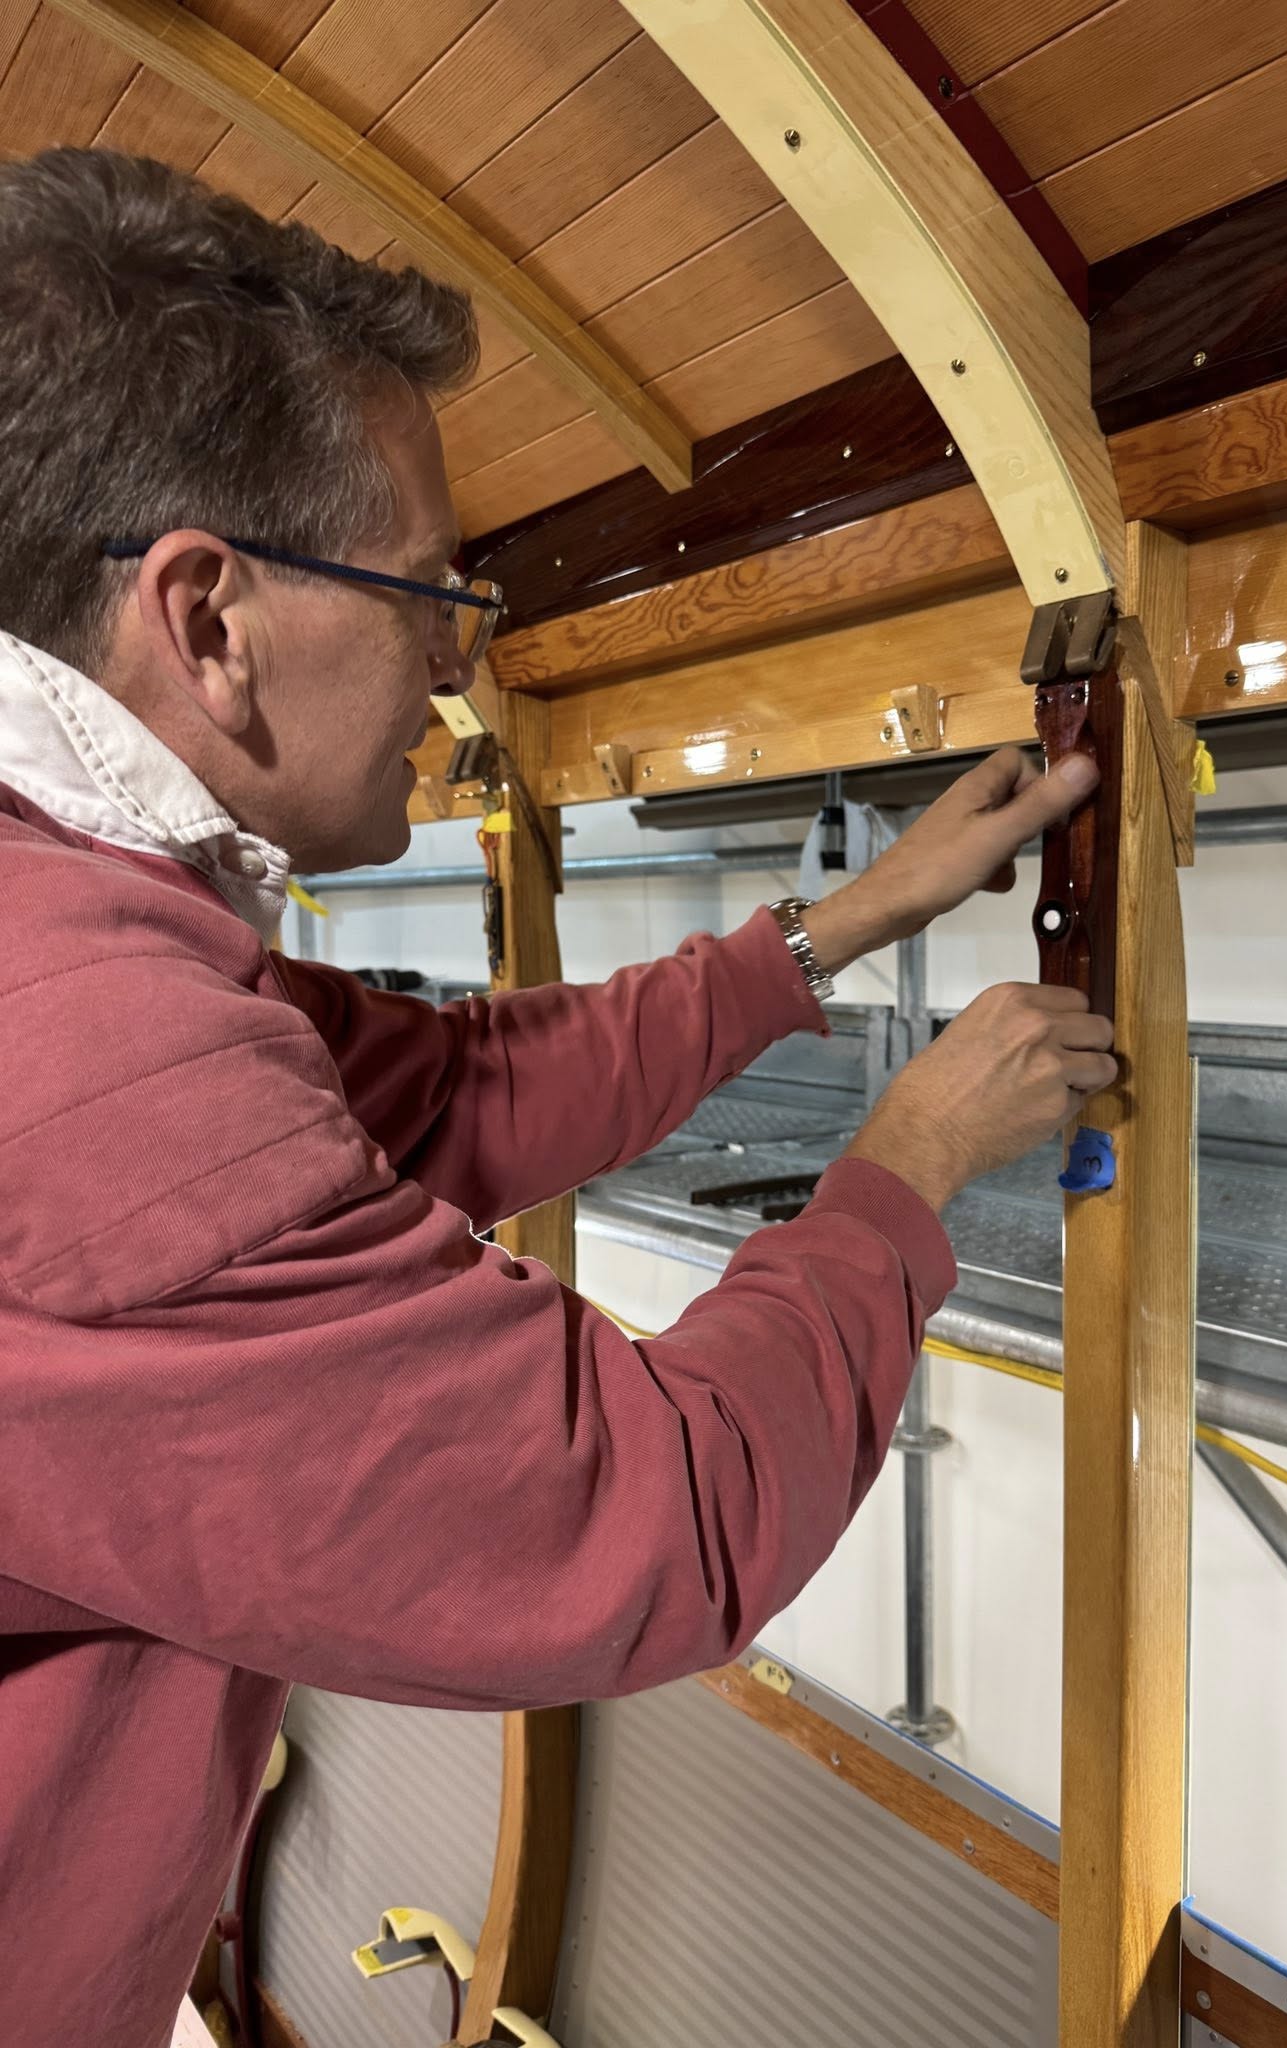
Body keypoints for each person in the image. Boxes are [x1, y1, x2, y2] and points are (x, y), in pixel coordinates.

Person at [0, 149, 1115, 2047]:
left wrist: (841, 925)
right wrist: (910, 1164)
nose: (457, 667)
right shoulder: (92, 1054)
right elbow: (647, 1520)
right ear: (206, 617)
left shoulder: (86, 917)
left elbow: (458, 1089)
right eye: (428, 595)